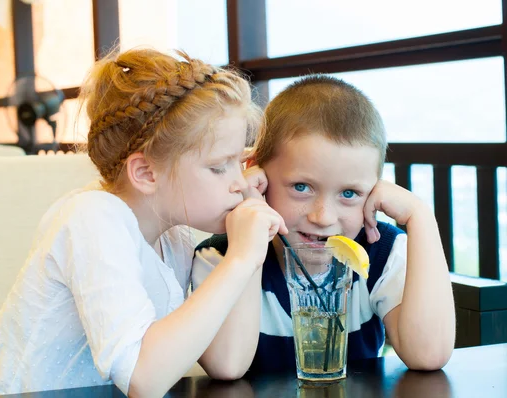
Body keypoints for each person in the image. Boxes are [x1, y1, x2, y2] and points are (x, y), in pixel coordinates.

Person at [0, 48, 287, 398]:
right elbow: (144, 379)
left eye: (241, 161)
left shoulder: (172, 235)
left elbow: (228, 363)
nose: (239, 181)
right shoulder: (92, 218)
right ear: (145, 172)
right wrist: (239, 260)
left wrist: (248, 248)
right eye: (220, 166)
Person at [193, 75, 455, 375]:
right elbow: (227, 367)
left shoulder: (381, 253)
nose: (323, 217)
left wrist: (420, 217)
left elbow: (429, 354)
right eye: (302, 187)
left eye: (349, 193)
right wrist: (250, 225)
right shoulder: (219, 259)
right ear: (258, 176)